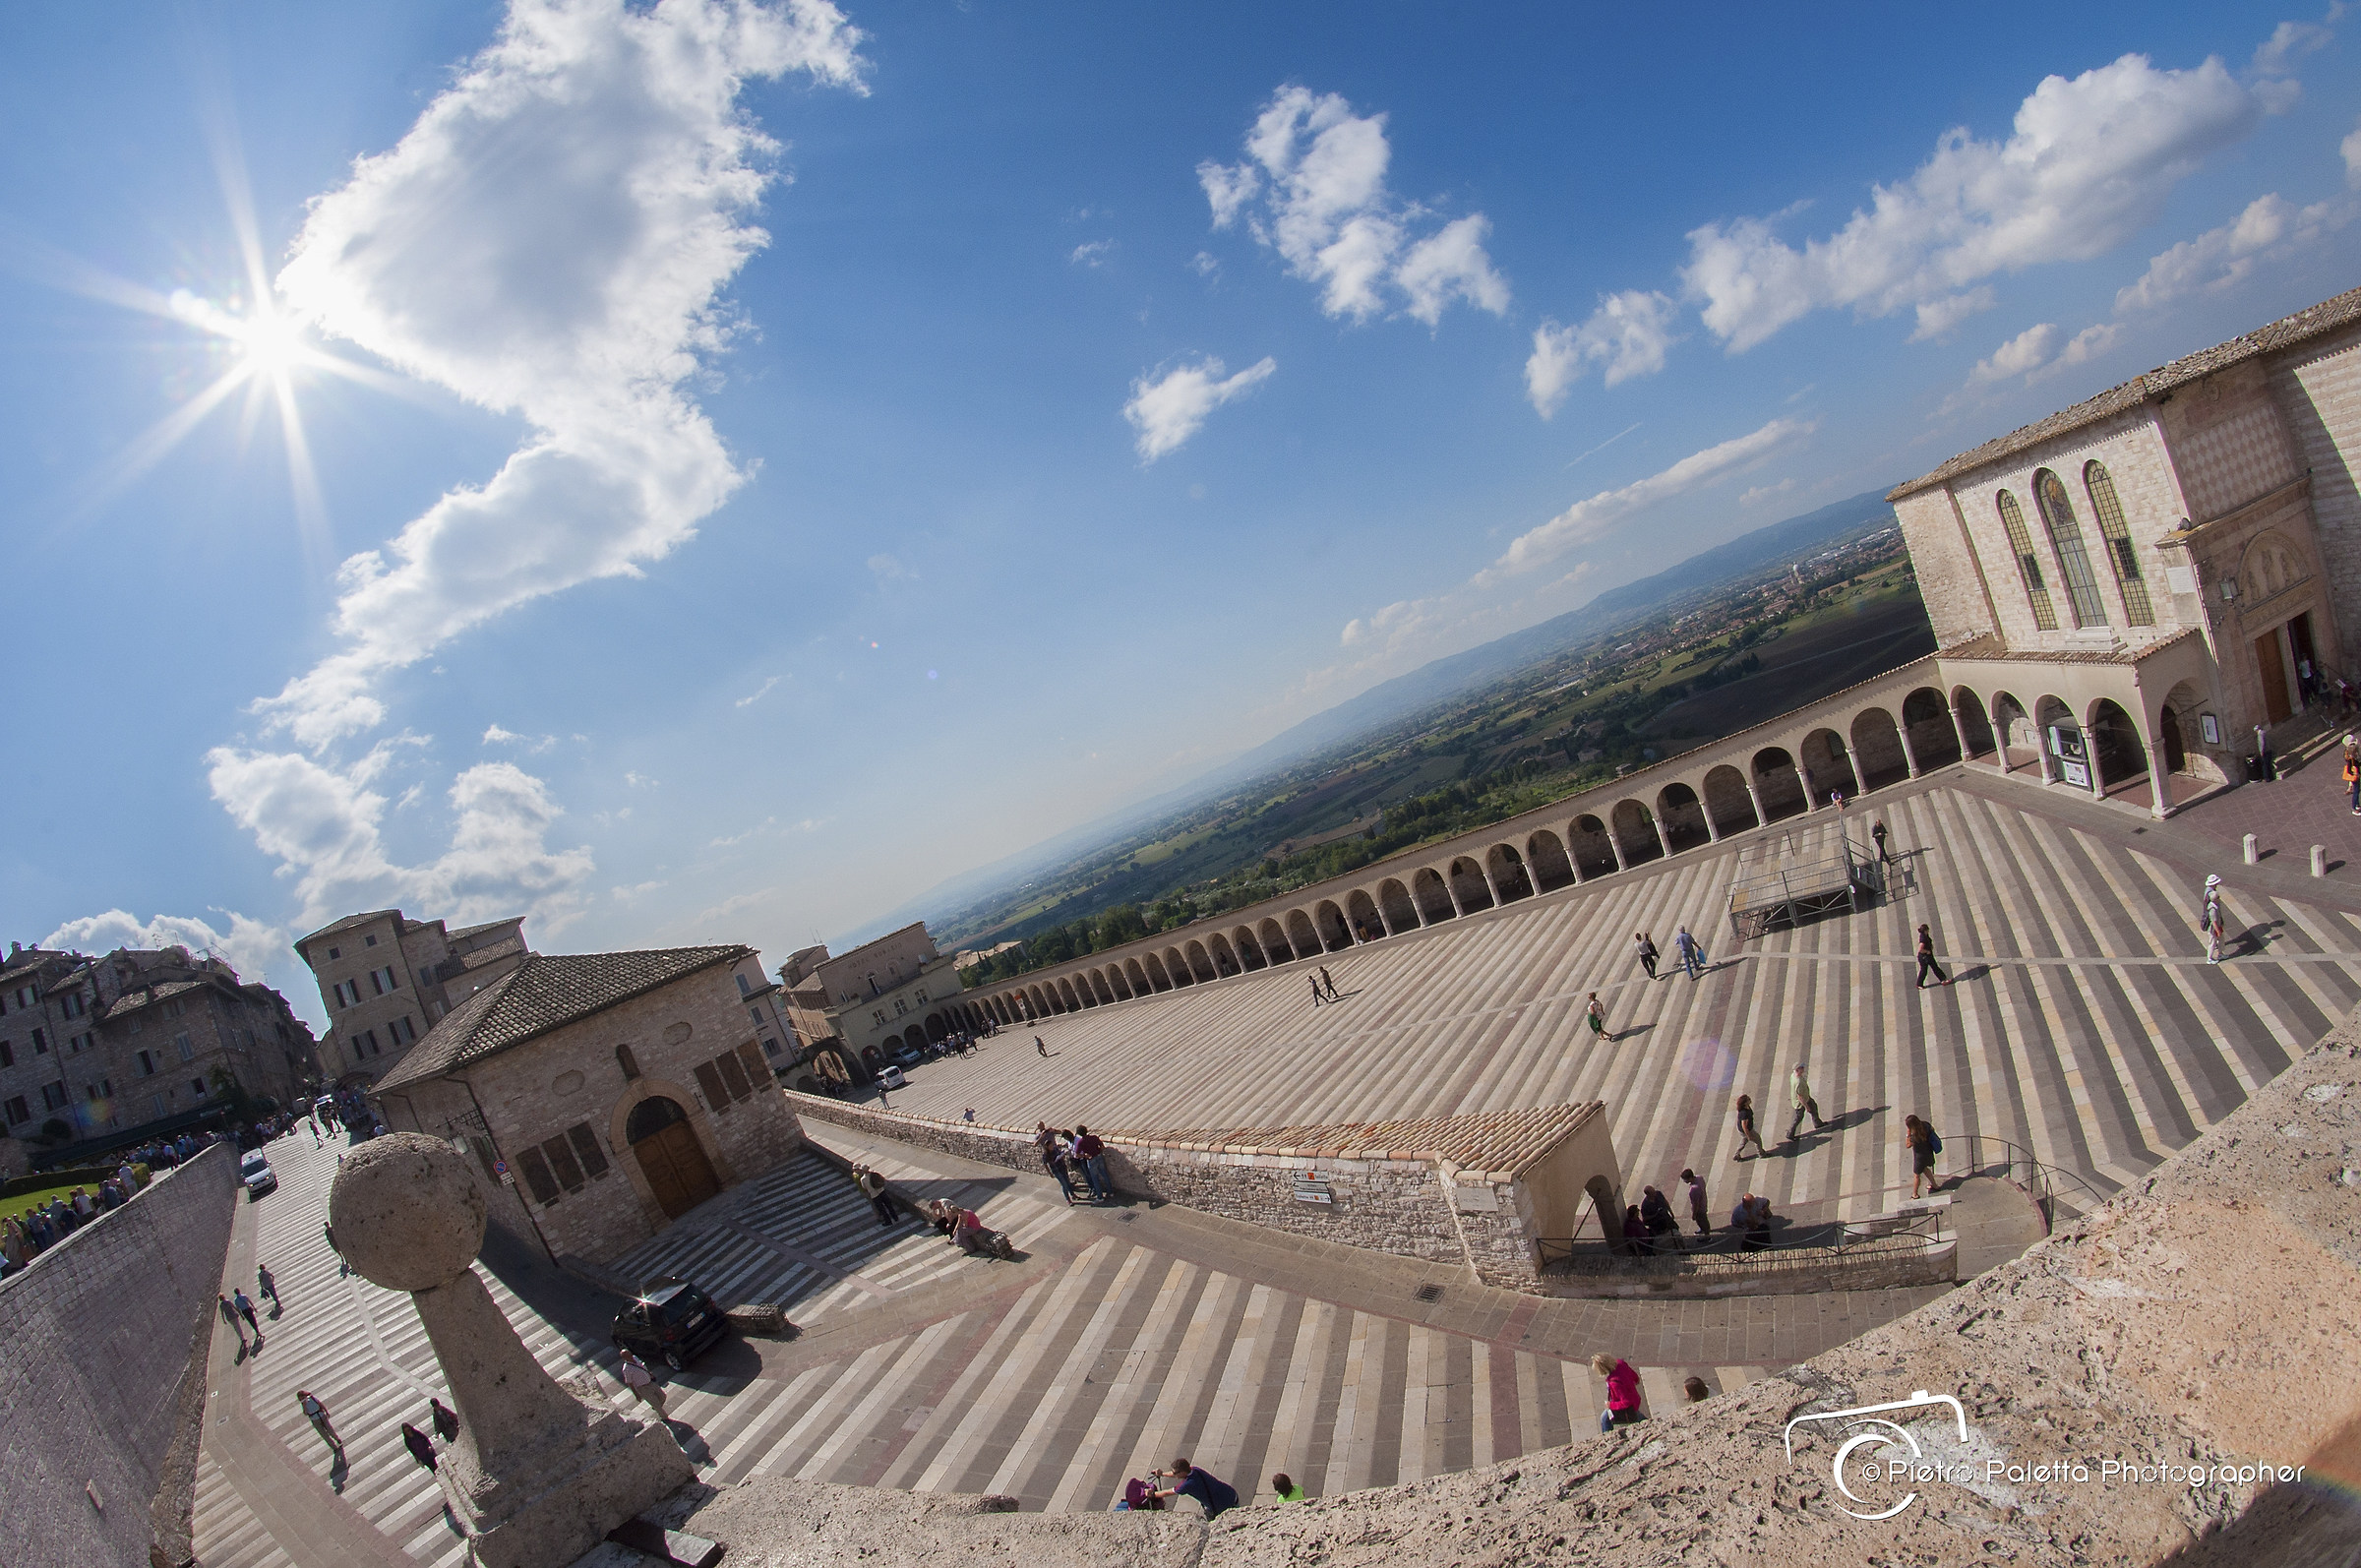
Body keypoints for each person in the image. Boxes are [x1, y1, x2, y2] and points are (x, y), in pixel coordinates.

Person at [1154, 1458, 1240, 1519]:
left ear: (1183, 1472)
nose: (1174, 1475)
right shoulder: (1195, 1469)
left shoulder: (1187, 1484)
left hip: (1221, 1507)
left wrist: (1152, 1494)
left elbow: (1168, 1493)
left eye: (1175, 1473)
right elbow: (1175, 1474)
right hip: (1231, 1495)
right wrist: (1162, 1474)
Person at [1593, 1354, 1645, 1432]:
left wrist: (1611, 1405)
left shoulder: (1614, 1383)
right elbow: (1635, 1377)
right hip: (1635, 1398)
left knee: (1605, 1419)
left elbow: (1626, 1402)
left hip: (1629, 1406)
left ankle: (1607, 1437)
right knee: (1637, 1415)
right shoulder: (1621, 1364)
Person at [1036, 1122, 1079, 1204]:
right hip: (1056, 1170)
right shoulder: (1046, 1154)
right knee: (1064, 1184)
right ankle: (1068, 1199)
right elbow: (1045, 1163)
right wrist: (1050, 1173)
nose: (1052, 1146)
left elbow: (1060, 1132)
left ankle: (1073, 1195)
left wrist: (1053, 1130)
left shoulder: (1055, 1148)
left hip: (1062, 1166)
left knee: (1067, 1181)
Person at [618, 1348, 665, 1415]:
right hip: (643, 1388)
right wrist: (636, 1394)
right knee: (656, 1404)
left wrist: (649, 1373)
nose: (630, 1356)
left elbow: (642, 1367)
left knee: (662, 1397)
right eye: (628, 1356)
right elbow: (629, 1382)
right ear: (625, 1358)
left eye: (630, 1354)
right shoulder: (626, 1369)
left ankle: (657, 1407)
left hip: (650, 1382)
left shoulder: (635, 1357)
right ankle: (664, 1417)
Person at [1787, 1063, 1826, 1142]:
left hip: (1805, 1098)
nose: (1803, 1068)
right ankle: (1790, 1134)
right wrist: (1806, 1107)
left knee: (1814, 1107)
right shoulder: (1798, 1082)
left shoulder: (1793, 1075)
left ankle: (1817, 1123)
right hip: (1801, 1103)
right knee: (1798, 1118)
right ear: (1797, 1070)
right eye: (1801, 1068)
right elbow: (1800, 1097)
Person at [298, 1389, 343, 1456]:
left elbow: (320, 1404)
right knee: (324, 1434)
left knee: (330, 1429)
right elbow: (306, 1413)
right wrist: (304, 1405)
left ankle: (337, 1438)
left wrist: (326, 1411)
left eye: (303, 1396)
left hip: (321, 1415)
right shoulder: (303, 1404)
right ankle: (334, 1447)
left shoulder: (312, 1398)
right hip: (315, 1419)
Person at [1904, 1115, 1939, 1199]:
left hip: (1919, 1157)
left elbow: (1908, 1145)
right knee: (1925, 1169)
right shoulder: (1925, 1125)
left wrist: (1907, 1135)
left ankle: (1914, 1194)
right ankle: (1935, 1186)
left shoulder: (1914, 1136)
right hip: (1928, 1152)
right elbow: (1932, 1129)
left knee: (1917, 1175)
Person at [1073, 1125, 1111, 1203]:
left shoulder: (1081, 1142)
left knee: (1095, 1179)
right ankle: (1110, 1192)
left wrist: (1084, 1155)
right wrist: (1099, 1151)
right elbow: (1102, 1146)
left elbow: (1076, 1154)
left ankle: (1100, 1197)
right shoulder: (1094, 1137)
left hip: (1091, 1159)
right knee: (1105, 1174)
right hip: (1099, 1157)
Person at [856, 1165, 897, 1229]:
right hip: (881, 1191)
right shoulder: (874, 1174)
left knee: (882, 1209)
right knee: (889, 1205)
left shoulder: (863, 1179)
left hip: (874, 1195)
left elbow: (864, 1187)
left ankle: (888, 1221)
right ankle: (895, 1217)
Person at [1915, 924, 1950, 989]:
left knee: (1934, 968)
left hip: (1927, 956)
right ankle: (1919, 984)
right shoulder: (1923, 938)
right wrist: (1927, 951)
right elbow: (1920, 949)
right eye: (1928, 930)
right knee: (1925, 970)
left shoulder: (1924, 935)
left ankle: (1943, 980)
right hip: (1925, 957)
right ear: (1926, 930)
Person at [2202, 874, 2226, 965]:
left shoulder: (2209, 893)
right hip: (2213, 927)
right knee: (2212, 941)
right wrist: (2218, 930)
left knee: (2220, 940)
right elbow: (2214, 921)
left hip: (2216, 925)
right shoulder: (2212, 909)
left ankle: (2220, 954)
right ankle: (2210, 958)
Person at [1732, 1094, 1766, 1160]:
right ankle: (1761, 1154)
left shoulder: (1747, 1107)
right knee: (1757, 1140)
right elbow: (1744, 1126)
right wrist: (1749, 1135)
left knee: (1744, 1141)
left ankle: (1736, 1154)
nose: (1750, 1100)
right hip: (1746, 1130)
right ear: (1745, 1103)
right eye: (1748, 1099)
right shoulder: (1744, 1113)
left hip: (1743, 1130)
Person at [1682, 1169, 1710, 1236]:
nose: (1684, 1181)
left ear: (1690, 1178)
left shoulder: (1693, 1189)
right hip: (1704, 1202)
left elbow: (1696, 1204)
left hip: (1699, 1209)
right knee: (1704, 1219)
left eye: (1685, 1179)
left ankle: (1707, 1235)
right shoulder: (1699, 1178)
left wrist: (1694, 1214)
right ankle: (1703, 1229)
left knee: (1702, 1221)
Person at [2343, 737, 2358, 815]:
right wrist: (2355, 774)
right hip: (2355, 777)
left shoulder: (2349, 756)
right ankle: (2354, 808)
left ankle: (2357, 805)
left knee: (2357, 791)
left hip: (2356, 777)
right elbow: (2350, 770)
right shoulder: (2351, 759)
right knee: (2356, 792)